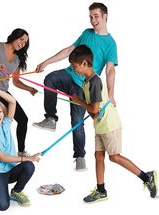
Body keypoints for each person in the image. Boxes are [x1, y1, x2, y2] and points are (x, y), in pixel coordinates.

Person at [33, 3, 117, 170]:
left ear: (105, 16)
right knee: (50, 79)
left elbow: (110, 70)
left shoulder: (110, 44)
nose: (93, 20)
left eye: (96, 16)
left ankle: (80, 157)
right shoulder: (86, 33)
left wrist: (112, 95)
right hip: (67, 75)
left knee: (77, 121)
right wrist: (46, 62)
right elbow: (68, 50)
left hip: (82, 86)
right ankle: (50, 119)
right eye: (91, 17)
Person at [69, 44, 158, 203]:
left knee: (114, 157)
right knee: (98, 156)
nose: (73, 69)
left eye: (74, 66)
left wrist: (78, 101)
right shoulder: (86, 83)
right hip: (100, 125)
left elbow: (94, 109)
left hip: (109, 125)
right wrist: (84, 105)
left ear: (84, 63)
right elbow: (93, 112)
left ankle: (147, 177)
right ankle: (101, 190)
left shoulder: (95, 81)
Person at [0, 28, 38, 157]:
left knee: (23, 119)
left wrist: (29, 89)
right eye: (21, 39)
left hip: (2, 91)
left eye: (25, 42)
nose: (23, 43)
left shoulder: (17, 59)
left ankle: (20, 151)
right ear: (15, 36)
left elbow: (16, 81)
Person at [0, 80, 40, 211]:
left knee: (29, 166)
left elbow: (12, 102)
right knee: (3, 207)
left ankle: (16, 192)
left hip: (13, 170)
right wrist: (27, 157)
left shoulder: (5, 124)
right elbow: (2, 158)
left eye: (0, 111)